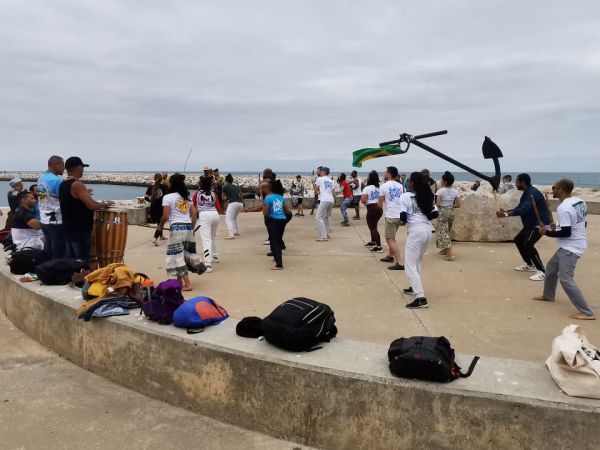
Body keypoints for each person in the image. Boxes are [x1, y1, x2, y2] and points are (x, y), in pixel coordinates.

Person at [533, 179, 595, 320]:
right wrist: (558, 226)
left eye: (554, 187)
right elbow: (582, 223)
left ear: (560, 189)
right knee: (551, 268)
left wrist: (546, 232)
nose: (552, 190)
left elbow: (566, 233)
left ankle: (587, 312)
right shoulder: (580, 201)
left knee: (566, 279)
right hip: (571, 245)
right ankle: (548, 295)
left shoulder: (563, 207)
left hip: (571, 248)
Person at [496, 173, 551, 281]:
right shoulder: (527, 192)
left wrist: (505, 215)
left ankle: (542, 271)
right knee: (518, 240)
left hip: (539, 225)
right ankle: (530, 265)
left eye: (517, 182)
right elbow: (519, 208)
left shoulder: (532, 193)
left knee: (528, 245)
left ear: (523, 182)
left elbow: (523, 210)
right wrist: (506, 211)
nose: (516, 184)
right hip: (530, 224)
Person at [59, 157, 112, 265]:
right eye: (82, 167)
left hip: (68, 227)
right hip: (80, 230)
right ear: (79, 167)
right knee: (82, 262)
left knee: (70, 261)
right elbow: (92, 205)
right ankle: (82, 276)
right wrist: (105, 204)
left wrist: (85, 192)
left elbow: (72, 200)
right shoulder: (77, 184)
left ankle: (72, 276)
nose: (83, 170)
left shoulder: (63, 184)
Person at [157, 173, 203, 290]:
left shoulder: (167, 197)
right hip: (187, 228)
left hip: (176, 229)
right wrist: (191, 228)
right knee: (185, 255)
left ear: (172, 184)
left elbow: (165, 216)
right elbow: (194, 214)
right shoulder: (186, 197)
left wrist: (160, 226)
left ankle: (188, 284)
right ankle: (179, 281)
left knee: (176, 256)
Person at [400, 172, 439, 309]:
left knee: (409, 264)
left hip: (416, 231)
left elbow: (403, 217)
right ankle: (414, 287)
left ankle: (420, 297)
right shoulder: (428, 196)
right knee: (417, 261)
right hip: (427, 230)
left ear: (412, 183)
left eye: (409, 180)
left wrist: (404, 220)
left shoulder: (405, 196)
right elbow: (435, 214)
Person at [37, 155, 67, 258]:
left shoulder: (41, 178)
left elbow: (42, 199)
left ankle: (48, 267)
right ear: (55, 165)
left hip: (44, 219)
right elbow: (65, 199)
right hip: (56, 221)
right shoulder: (57, 181)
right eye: (62, 165)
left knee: (49, 250)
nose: (64, 168)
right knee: (59, 252)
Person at [378, 166, 405, 270]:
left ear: (389, 174)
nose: (384, 174)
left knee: (389, 239)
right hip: (399, 214)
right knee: (392, 237)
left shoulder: (383, 186)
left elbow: (380, 204)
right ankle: (390, 256)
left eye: (385, 172)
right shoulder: (400, 186)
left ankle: (400, 263)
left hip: (391, 215)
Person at [194, 175, 221, 272]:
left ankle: (208, 264)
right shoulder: (213, 194)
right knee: (213, 236)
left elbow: (193, 207)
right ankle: (214, 256)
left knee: (206, 239)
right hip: (215, 214)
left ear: (200, 184)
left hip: (204, 215)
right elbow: (218, 207)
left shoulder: (197, 194)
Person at [263, 181, 291, 270]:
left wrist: (267, 217)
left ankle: (279, 264)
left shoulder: (268, 198)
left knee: (274, 241)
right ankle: (276, 258)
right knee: (277, 240)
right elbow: (287, 210)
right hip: (282, 219)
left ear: (269, 188)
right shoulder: (281, 197)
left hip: (273, 220)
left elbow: (265, 212)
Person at [435, 171, 462, 261]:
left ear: (445, 182)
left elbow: (438, 204)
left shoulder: (440, 191)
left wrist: (443, 205)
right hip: (451, 211)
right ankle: (445, 250)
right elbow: (459, 204)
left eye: (442, 180)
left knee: (444, 232)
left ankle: (450, 253)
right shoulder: (455, 191)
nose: (441, 181)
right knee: (447, 231)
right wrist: (451, 206)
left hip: (443, 212)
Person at [361, 170, 383, 253]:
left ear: (370, 179)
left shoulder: (367, 188)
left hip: (371, 208)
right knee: (373, 226)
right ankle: (373, 241)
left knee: (373, 227)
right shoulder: (380, 187)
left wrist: (367, 200)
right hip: (379, 208)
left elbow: (363, 200)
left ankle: (379, 246)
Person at [145, 173, 168, 246]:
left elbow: (145, 197)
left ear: (154, 178)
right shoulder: (164, 187)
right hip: (161, 207)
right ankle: (155, 238)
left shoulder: (150, 187)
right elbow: (167, 197)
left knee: (159, 222)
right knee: (160, 223)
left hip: (153, 207)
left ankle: (161, 236)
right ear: (161, 179)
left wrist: (151, 201)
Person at [314, 166, 334, 241]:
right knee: (326, 217)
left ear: (324, 172)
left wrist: (319, 192)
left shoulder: (319, 179)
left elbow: (315, 191)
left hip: (324, 199)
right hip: (331, 200)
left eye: (321, 171)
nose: (320, 172)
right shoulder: (331, 181)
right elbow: (333, 193)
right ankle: (327, 233)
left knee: (318, 217)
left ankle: (323, 236)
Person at [222, 173, 244, 239]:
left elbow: (223, 197)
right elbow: (241, 195)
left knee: (228, 219)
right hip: (240, 204)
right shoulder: (236, 187)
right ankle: (236, 231)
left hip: (233, 203)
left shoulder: (225, 186)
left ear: (226, 180)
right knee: (234, 218)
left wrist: (226, 200)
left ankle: (231, 234)